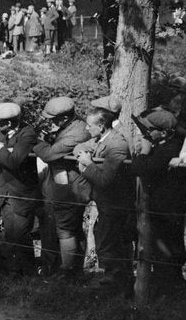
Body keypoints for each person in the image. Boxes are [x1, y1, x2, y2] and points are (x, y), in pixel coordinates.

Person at [33, 96, 91, 277]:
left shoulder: (78, 132)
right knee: (67, 230)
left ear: (65, 118)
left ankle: (67, 272)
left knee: (66, 230)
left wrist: (36, 142)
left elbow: (49, 154)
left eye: (53, 119)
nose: (51, 123)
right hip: (62, 186)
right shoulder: (71, 126)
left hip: (71, 190)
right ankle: (68, 270)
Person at [0, 102, 40, 275]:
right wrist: (5, 152)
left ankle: (28, 273)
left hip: (22, 193)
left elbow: (15, 161)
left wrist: (0, 149)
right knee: (10, 235)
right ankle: (16, 271)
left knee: (21, 236)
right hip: (4, 191)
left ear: (10, 122)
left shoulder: (27, 133)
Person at [77, 107, 132, 287]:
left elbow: (105, 179)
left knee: (111, 243)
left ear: (101, 126)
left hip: (116, 203)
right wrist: (83, 154)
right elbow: (81, 146)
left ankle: (116, 284)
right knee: (105, 239)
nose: (86, 129)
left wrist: (87, 165)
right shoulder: (101, 139)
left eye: (89, 126)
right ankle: (113, 280)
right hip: (106, 203)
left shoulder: (116, 144)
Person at [134, 109, 186, 295]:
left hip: (168, 208)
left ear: (163, 133)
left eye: (149, 131)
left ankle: (170, 289)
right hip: (165, 206)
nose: (146, 134)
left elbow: (141, 169)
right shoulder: (167, 146)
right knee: (164, 248)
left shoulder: (168, 150)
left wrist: (143, 153)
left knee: (167, 249)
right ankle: (168, 286)